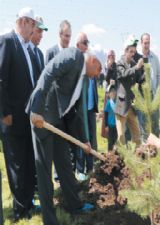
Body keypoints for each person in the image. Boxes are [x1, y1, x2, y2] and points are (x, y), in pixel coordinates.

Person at [27, 48, 100, 225]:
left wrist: (85, 140)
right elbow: (48, 72)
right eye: (99, 70)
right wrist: (36, 110)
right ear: (93, 61)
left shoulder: (83, 77)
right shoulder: (73, 56)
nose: (98, 75)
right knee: (44, 171)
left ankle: (75, 205)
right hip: (42, 118)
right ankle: (50, 220)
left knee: (65, 165)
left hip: (57, 122)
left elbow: (76, 112)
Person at [0, 7, 39, 221]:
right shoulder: (7, 41)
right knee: (16, 165)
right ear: (24, 22)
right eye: (33, 25)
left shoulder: (27, 48)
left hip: (26, 118)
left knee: (26, 161)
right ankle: (19, 210)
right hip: (12, 118)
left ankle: (27, 202)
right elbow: (0, 79)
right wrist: (4, 113)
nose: (34, 30)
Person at [45, 20, 72, 182]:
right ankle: (56, 175)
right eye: (66, 35)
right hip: (54, 106)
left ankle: (65, 174)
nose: (68, 39)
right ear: (60, 34)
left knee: (66, 140)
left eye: (70, 36)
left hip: (67, 106)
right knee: (54, 140)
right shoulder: (50, 52)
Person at [76, 32, 98, 180]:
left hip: (91, 109)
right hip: (81, 109)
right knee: (81, 138)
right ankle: (80, 169)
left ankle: (90, 168)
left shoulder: (92, 72)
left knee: (91, 139)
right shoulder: (80, 68)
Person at [115, 35, 143, 146]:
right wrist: (136, 68)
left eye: (134, 52)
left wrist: (143, 71)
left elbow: (139, 79)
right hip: (122, 104)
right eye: (131, 51)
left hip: (131, 105)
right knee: (121, 135)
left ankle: (139, 157)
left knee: (137, 134)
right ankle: (120, 158)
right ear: (125, 51)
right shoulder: (120, 63)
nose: (132, 54)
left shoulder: (133, 64)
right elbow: (123, 74)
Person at [138, 33, 160, 139]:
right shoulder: (138, 57)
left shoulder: (154, 58)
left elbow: (158, 75)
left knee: (155, 123)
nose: (147, 45)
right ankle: (145, 149)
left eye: (148, 42)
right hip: (142, 97)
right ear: (141, 43)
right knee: (143, 125)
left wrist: (158, 91)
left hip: (153, 95)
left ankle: (156, 149)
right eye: (145, 43)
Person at [104, 86, 117, 151]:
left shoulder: (117, 102)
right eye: (111, 92)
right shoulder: (109, 102)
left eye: (114, 91)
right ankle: (109, 154)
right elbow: (106, 114)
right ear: (109, 94)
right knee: (110, 141)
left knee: (116, 141)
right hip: (110, 125)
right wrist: (106, 126)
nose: (113, 93)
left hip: (117, 126)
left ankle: (115, 155)